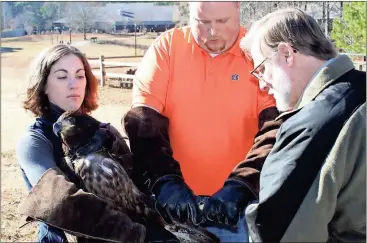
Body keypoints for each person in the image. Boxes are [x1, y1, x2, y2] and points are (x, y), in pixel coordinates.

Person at [123, 2, 280, 242]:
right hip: (173, 209)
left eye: (222, 21)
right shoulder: (167, 48)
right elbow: (143, 122)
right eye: (203, 22)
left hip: (237, 210)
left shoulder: (257, 51)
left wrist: (245, 183)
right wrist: (164, 180)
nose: (212, 31)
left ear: (238, 10)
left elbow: (274, 128)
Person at [239, 8, 366, 242]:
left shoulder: (315, 126)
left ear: (286, 53)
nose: (262, 85)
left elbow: (279, 230)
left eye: (262, 70)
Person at [16, 44, 156, 243]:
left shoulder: (106, 133)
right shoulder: (35, 142)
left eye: (80, 76)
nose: (73, 84)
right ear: (44, 85)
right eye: (62, 77)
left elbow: (137, 188)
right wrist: (137, 235)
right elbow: (59, 202)